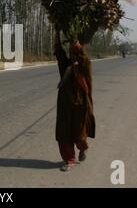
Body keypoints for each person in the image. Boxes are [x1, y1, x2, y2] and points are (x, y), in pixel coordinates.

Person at [54, 31, 96, 172]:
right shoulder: (66, 65)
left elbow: (84, 58)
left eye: (75, 52)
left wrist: (78, 46)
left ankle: (83, 148)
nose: (72, 55)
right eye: (71, 52)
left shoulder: (85, 66)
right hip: (65, 105)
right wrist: (57, 32)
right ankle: (69, 160)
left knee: (79, 134)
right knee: (63, 133)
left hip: (80, 106)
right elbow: (59, 54)